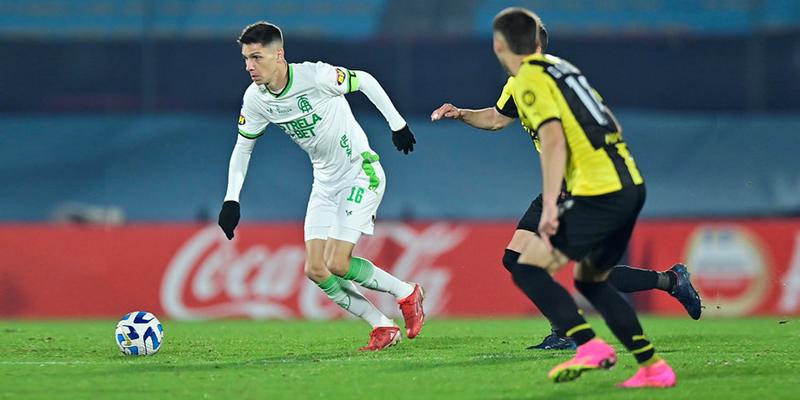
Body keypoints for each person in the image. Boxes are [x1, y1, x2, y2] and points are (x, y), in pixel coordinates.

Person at [431, 18, 701, 352]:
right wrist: (461, 113)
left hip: (590, 185)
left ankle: (667, 285)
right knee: (518, 259)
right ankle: (576, 325)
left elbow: (561, 138)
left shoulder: (541, 83)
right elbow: (498, 118)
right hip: (570, 183)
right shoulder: (525, 81)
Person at [473, 7, 676, 387]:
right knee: (592, 278)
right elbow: (605, 117)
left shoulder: (528, 79)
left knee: (528, 268)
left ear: (500, 45)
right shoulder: (562, 68)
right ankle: (653, 368)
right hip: (626, 179)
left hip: (592, 188)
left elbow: (552, 138)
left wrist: (552, 205)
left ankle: (587, 344)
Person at [217, 22, 424, 351]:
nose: (249, 67)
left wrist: (397, 125)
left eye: (256, 57)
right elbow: (243, 148)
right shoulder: (255, 99)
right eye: (245, 59)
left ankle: (406, 292)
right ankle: (382, 325)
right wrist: (232, 200)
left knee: (338, 262)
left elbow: (365, 80)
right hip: (324, 182)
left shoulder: (315, 76)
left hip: (360, 171)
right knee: (316, 269)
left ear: (279, 54)